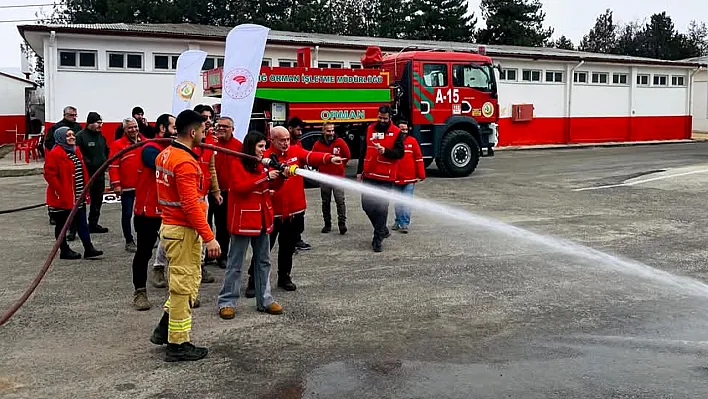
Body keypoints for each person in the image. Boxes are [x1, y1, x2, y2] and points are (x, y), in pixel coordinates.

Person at [149, 109, 221, 362]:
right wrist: (210, 237)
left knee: (187, 284)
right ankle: (178, 344)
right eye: (203, 131)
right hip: (183, 232)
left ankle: (163, 330)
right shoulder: (185, 162)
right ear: (192, 132)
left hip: (172, 230)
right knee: (183, 288)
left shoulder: (166, 154)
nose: (205, 134)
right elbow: (191, 205)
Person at [245, 126, 343, 295]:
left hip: (295, 211)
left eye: (288, 140)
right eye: (281, 140)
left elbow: (311, 156)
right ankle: (254, 280)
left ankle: (284, 277)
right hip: (272, 213)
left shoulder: (296, 151)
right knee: (264, 249)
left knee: (288, 247)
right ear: (272, 140)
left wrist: (329, 158)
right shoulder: (265, 158)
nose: (285, 143)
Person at [218, 130, 285, 319]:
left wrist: (281, 176)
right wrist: (266, 177)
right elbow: (240, 187)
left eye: (265, 146)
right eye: (260, 146)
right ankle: (227, 301)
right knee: (235, 263)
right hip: (243, 221)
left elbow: (273, 187)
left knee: (263, 261)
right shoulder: (237, 163)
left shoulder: (262, 164)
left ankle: (265, 299)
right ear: (250, 146)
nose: (264, 150)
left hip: (263, 220)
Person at [131, 113, 175, 311]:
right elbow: (159, 163)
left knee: (177, 253)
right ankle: (140, 292)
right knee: (143, 252)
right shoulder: (149, 148)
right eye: (174, 127)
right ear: (163, 129)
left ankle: (179, 294)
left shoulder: (175, 148)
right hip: (147, 211)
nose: (177, 130)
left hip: (169, 209)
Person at [43, 127, 103, 260]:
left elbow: (82, 170)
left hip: (78, 196)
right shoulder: (55, 153)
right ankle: (64, 250)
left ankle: (89, 248)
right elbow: (50, 175)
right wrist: (61, 191)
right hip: (62, 198)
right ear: (60, 138)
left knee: (82, 223)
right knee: (62, 225)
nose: (72, 137)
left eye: (72, 135)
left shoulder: (76, 150)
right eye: (68, 135)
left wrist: (86, 187)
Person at [356, 105, 405, 252]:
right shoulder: (370, 129)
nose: (382, 120)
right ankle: (382, 228)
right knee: (367, 205)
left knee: (382, 207)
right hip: (369, 174)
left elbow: (400, 153)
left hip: (386, 176)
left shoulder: (396, 132)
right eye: (380, 118)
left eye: (384, 118)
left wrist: (386, 151)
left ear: (390, 117)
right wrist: (359, 171)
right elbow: (363, 151)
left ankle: (377, 239)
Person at [192, 104, 220, 284]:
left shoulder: (210, 142)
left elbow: (211, 168)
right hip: (188, 197)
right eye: (204, 118)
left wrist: (215, 191)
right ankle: (159, 266)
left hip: (203, 194)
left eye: (210, 117)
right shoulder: (189, 144)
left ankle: (200, 266)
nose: (208, 121)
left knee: (204, 229)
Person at [109, 117, 145, 253]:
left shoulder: (145, 142)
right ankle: (129, 240)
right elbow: (113, 166)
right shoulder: (117, 145)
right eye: (130, 127)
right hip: (127, 187)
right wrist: (116, 184)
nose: (134, 130)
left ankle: (144, 238)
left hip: (143, 185)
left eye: (135, 126)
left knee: (143, 214)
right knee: (127, 214)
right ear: (124, 129)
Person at [212, 116, 242, 269]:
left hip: (227, 193)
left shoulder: (239, 147)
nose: (221, 129)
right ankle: (207, 253)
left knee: (223, 225)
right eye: (219, 126)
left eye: (225, 126)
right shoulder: (210, 144)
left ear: (232, 129)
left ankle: (222, 255)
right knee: (205, 223)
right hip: (208, 191)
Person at [311, 122, 351, 234]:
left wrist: (340, 166)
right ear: (323, 131)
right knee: (325, 201)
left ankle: (342, 224)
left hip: (338, 177)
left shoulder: (340, 142)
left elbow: (347, 156)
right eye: (328, 131)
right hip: (324, 177)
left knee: (340, 201)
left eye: (332, 130)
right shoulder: (318, 144)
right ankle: (327, 224)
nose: (331, 133)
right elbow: (313, 158)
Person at [76, 112, 109, 234]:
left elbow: (106, 150)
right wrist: (89, 164)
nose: (100, 125)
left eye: (101, 122)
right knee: (80, 202)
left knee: (97, 200)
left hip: (99, 174)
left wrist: (105, 162)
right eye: (98, 123)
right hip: (85, 175)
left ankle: (93, 224)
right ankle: (75, 228)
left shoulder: (101, 136)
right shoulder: (80, 137)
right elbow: (78, 154)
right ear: (90, 123)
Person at [392, 120, 426, 233]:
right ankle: (398, 221)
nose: (404, 132)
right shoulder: (392, 143)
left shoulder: (413, 142)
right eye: (401, 130)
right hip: (396, 179)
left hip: (409, 179)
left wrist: (421, 175)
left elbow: (419, 158)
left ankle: (404, 223)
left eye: (405, 130)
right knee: (397, 203)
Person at [286, 116, 312, 251]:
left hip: (297, 185)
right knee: (289, 216)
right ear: (290, 129)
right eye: (298, 130)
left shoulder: (298, 143)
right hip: (287, 186)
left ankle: (296, 239)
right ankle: (291, 242)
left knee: (299, 214)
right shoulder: (286, 144)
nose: (300, 133)